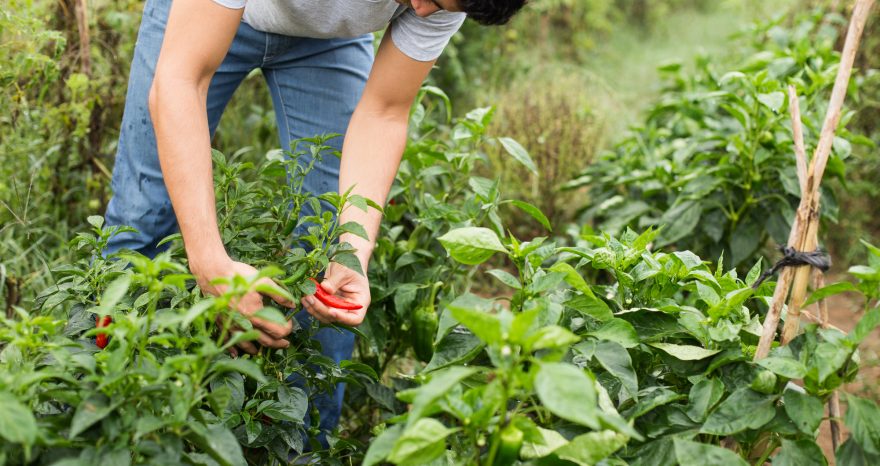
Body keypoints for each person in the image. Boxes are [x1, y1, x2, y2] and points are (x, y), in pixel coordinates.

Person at [103, 0, 526, 447]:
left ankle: (306, 450)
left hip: (327, 44)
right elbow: (179, 81)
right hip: (205, 15)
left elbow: (384, 112)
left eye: (443, 7)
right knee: (140, 224)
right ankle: (101, 417)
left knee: (331, 257)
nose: (421, 11)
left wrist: (353, 252)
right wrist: (209, 261)